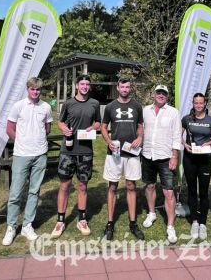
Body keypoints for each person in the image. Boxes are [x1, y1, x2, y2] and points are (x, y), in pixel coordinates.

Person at [2, 77, 53, 246]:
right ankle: (11, 227)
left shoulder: (46, 107)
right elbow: (9, 128)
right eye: (32, 89)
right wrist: (21, 141)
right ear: (28, 89)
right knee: (16, 192)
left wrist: (37, 141)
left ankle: (27, 225)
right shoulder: (18, 106)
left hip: (40, 154)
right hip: (21, 154)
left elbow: (47, 128)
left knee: (34, 191)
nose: (35, 92)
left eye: (38, 90)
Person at [51, 75, 101, 238]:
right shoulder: (69, 103)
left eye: (87, 84)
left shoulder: (94, 103)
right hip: (68, 151)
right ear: (77, 86)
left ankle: (82, 219)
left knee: (82, 186)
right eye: (82, 84)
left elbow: (98, 123)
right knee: (65, 185)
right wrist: (64, 128)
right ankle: (60, 221)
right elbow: (60, 121)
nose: (85, 86)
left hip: (85, 151)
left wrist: (93, 127)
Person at [101, 78, 144, 241]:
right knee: (112, 187)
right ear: (117, 87)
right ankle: (110, 223)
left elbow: (140, 125)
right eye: (122, 86)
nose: (125, 89)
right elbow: (104, 127)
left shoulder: (136, 106)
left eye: (127, 86)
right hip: (115, 152)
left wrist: (140, 137)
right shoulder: (111, 106)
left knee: (131, 185)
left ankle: (133, 223)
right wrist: (108, 141)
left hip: (132, 152)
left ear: (130, 88)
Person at [141, 85, 182, 244]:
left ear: (167, 95)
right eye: (158, 92)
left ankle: (170, 226)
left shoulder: (173, 112)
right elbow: (140, 130)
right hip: (147, 155)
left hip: (166, 157)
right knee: (150, 186)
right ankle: (151, 213)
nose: (161, 95)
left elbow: (177, 136)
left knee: (169, 192)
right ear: (154, 94)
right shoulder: (145, 110)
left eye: (164, 93)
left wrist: (174, 156)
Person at [181, 93, 211, 240]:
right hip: (189, 159)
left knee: (203, 192)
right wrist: (185, 145)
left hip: (204, 161)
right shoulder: (187, 119)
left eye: (201, 103)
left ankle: (203, 223)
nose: (198, 105)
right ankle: (195, 222)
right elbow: (178, 135)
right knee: (191, 190)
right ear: (193, 103)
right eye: (196, 103)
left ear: (204, 104)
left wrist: (207, 144)